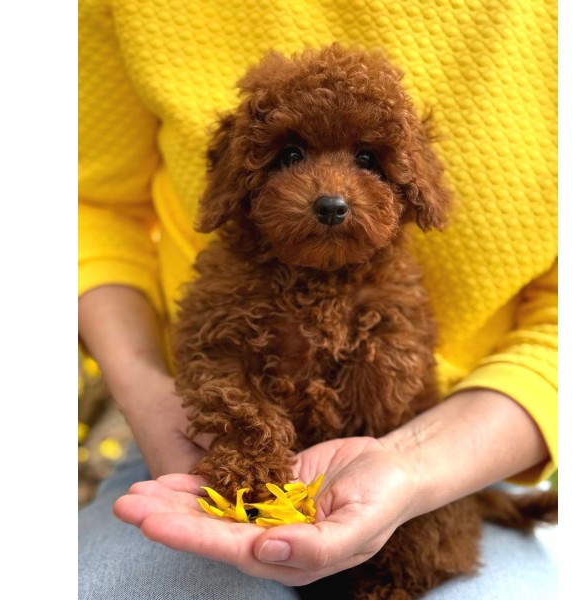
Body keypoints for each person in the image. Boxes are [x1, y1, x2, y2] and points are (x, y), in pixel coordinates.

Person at [78, 0, 558, 598]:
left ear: (411, 184)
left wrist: (416, 467)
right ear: (240, 173)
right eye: (291, 156)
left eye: (367, 160)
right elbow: (96, 210)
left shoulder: (393, 299)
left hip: (455, 452)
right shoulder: (230, 284)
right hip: (186, 442)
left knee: (415, 565)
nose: (331, 193)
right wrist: (150, 392)